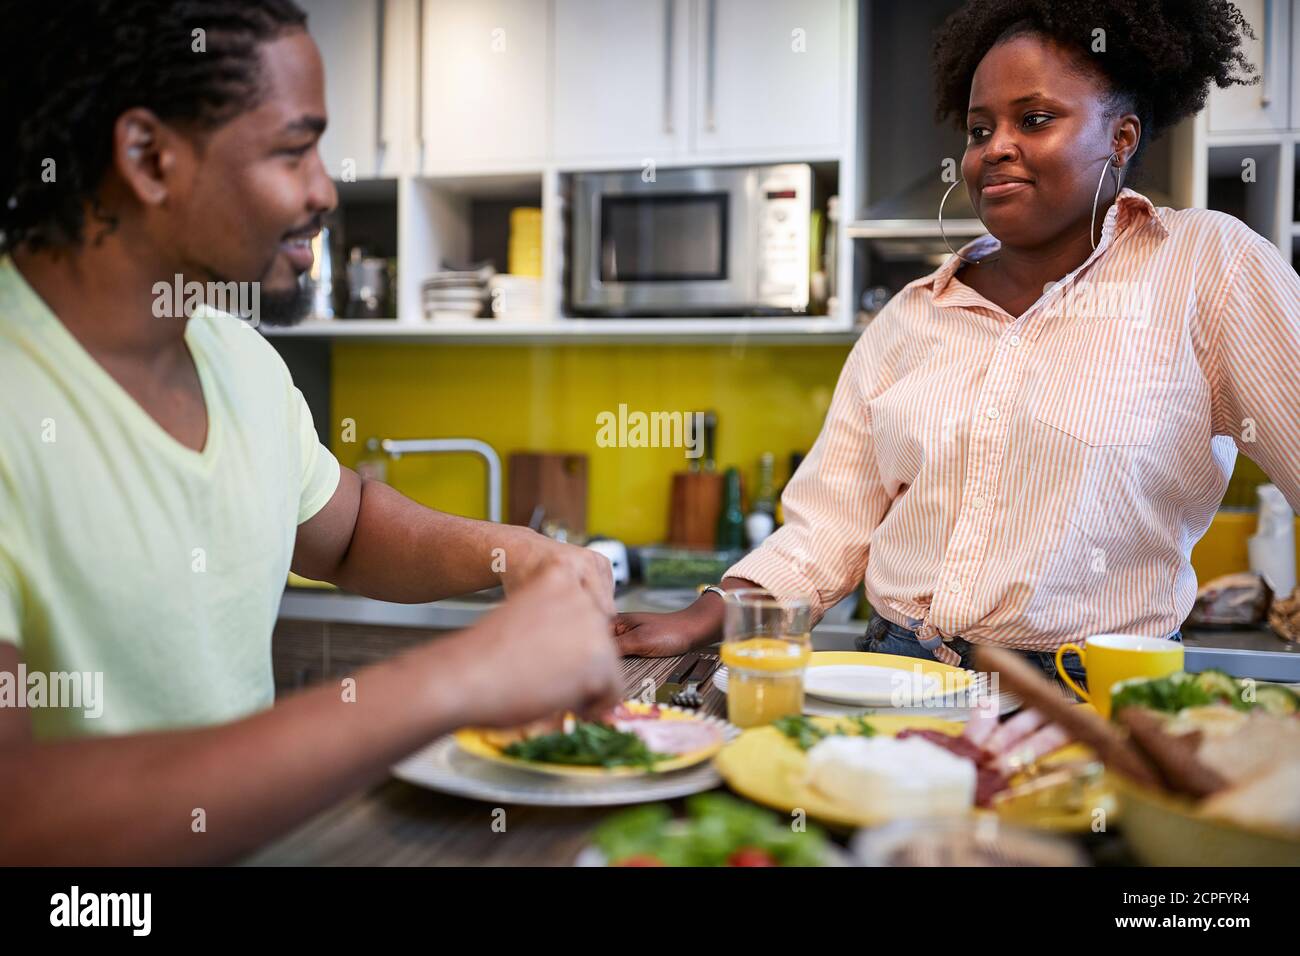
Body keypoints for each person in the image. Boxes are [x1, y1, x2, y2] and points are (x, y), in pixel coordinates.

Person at [0, 0, 621, 864]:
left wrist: (515, 555)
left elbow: (350, 530)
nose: (325, 189)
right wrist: (460, 677)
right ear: (148, 158)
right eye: (294, 150)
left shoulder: (236, 356)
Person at [615, 0, 1300, 688]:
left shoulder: (1207, 267)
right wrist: (706, 615)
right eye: (980, 129)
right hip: (895, 679)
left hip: (1093, 698)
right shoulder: (912, 317)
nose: (994, 147)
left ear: (1121, 137)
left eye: (1034, 120)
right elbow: (827, 528)